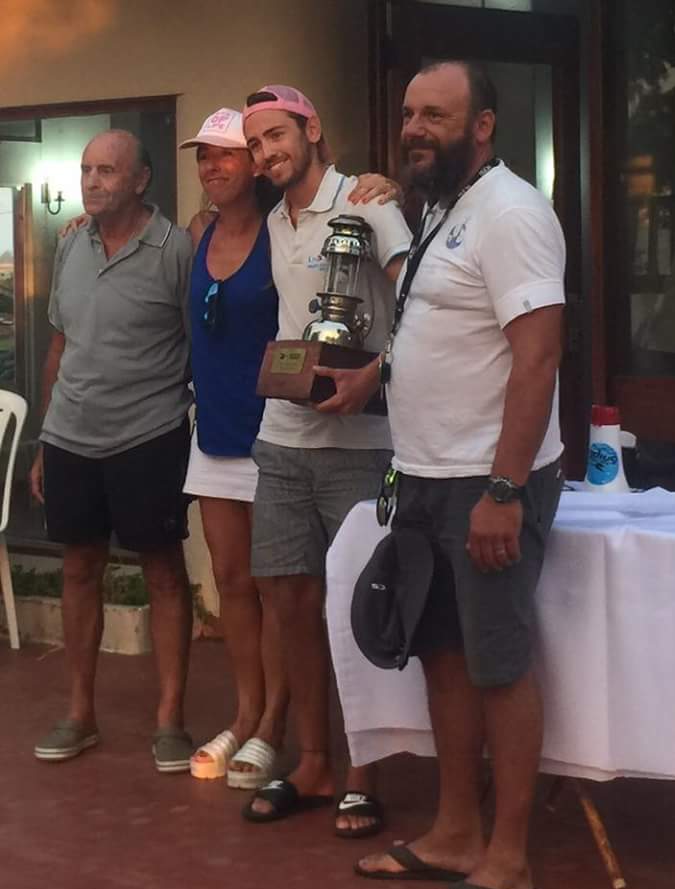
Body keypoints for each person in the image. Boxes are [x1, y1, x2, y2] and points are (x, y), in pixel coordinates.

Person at [318, 61, 566, 889]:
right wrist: (374, 376)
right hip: (424, 474)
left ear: (483, 125)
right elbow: (436, 322)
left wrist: (504, 487)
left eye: (436, 115)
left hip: (485, 480)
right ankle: (457, 831)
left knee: (496, 662)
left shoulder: (512, 213)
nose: (415, 129)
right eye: (409, 114)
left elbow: (537, 357)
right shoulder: (443, 211)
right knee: (445, 657)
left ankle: (511, 862)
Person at [241, 84, 412, 837]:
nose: (266, 153)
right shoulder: (273, 219)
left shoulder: (368, 200)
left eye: (276, 135)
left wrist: (377, 371)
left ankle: (362, 774)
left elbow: (422, 299)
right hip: (282, 439)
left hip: (359, 445)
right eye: (256, 144)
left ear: (312, 129)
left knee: (356, 605)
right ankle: (313, 762)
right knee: (287, 601)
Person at [31, 129, 196, 773]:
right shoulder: (70, 243)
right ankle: (80, 714)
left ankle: (170, 721)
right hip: (71, 438)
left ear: (140, 180)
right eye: (86, 169)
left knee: (164, 573)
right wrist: (45, 441)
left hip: (149, 436)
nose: (92, 181)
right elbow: (60, 345)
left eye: (107, 170)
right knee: (78, 569)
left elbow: (197, 342)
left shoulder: (175, 249)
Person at [178, 108, 288, 788]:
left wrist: (379, 185)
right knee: (232, 582)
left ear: (254, 162)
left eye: (225, 153)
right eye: (203, 156)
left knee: (279, 589)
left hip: (274, 436)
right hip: (214, 432)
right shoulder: (198, 232)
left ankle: (276, 721)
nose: (212, 166)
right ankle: (246, 712)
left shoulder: (286, 231)